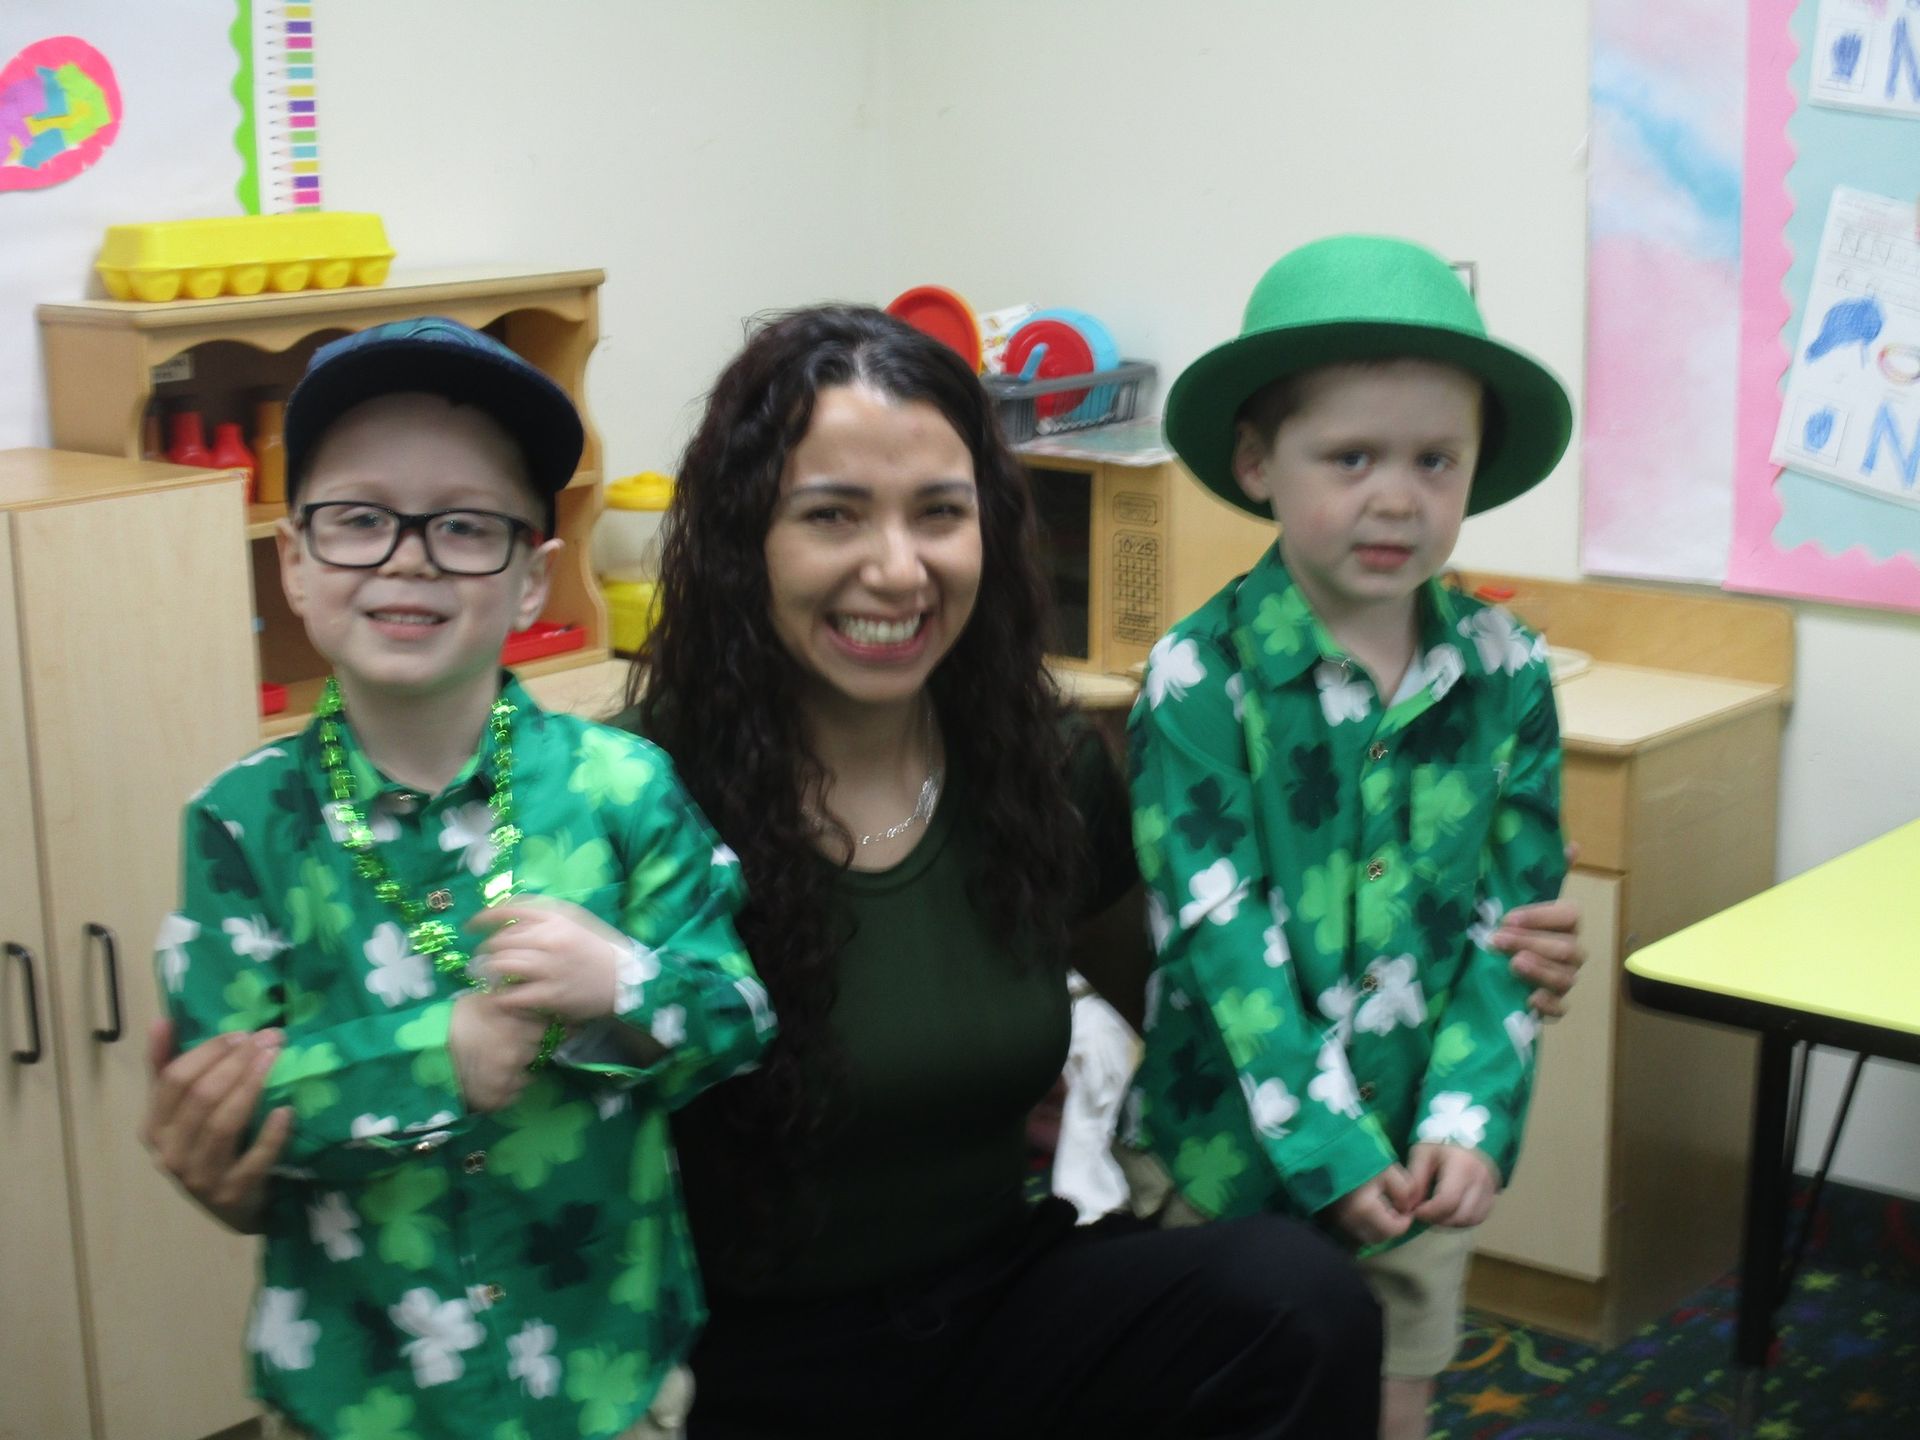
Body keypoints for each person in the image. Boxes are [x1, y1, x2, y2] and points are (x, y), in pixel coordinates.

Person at [146, 304, 1587, 1439]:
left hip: (1002, 1301)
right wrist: (243, 1166)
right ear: (744, 539)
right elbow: (473, 1103)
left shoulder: (1041, 762)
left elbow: (1206, 984)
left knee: (1294, 1305)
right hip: (736, 1361)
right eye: (831, 513)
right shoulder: (628, 799)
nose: (894, 569)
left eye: (938, 513)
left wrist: (1468, 960)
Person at [151, 317, 772, 1440]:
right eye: (358, 519)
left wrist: (622, 985)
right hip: (355, 1397)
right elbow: (223, 1113)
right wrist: (441, 1055)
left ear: (534, 579)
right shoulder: (241, 825)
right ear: (294, 562)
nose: (407, 555)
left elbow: (738, 1016)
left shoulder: (624, 788)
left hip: (602, 1385)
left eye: (465, 526)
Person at [1119, 234, 1575, 1440]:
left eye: (1437, 459)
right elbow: (1222, 933)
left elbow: (1513, 927)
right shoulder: (1196, 675)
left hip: (1419, 1145)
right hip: (1224, 1150)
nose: (1397, 496)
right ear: (1260, 461)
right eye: (1352, 455)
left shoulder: (1508, 669)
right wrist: (1326, 1146)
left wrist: (1470, 1121)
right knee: (1228, 1402)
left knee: (1389, 1404)